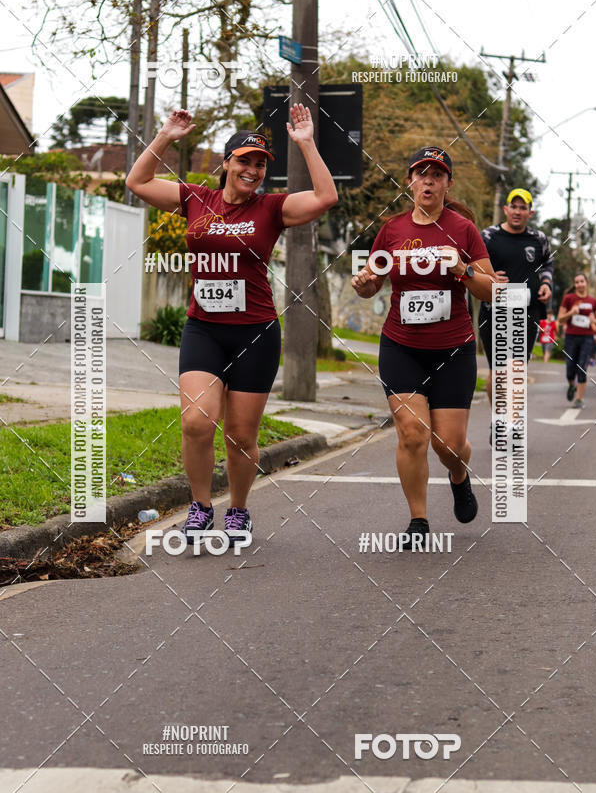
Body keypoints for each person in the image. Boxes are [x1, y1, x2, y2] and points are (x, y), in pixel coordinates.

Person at [126, 104, 337, 546]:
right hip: (204, 329)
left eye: (260, 164)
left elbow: (325, 197)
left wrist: (306, 143)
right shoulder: (194, 199)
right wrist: (165, 135)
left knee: (241, 435)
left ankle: (238, 510)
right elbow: (137, 182)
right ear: (226, 163)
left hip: (255, 332)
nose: (253, 169)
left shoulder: (272, 208)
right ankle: (201, 507)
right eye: (244, 160)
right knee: (197, 423)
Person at [352, 146, 496, 549]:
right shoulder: (392, 230)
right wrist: (364, 285)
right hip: (402, 346)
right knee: (412, 433)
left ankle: (458, 474)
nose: (428, 181)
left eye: (437, 175)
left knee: (447, 445)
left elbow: (493, 291)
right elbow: (371, 281)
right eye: (421, 174)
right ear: (410, 181)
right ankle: (418, 520)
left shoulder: (464, 229)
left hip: (453, 349)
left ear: (448, 184)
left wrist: (463, 269)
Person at [477, 188, 553, 440]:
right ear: (506, 209)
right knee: (499, 371)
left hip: (527, 311)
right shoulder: (488, 236)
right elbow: (471, 265)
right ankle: (498, 419)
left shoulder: (539, 238)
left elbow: (547, 264)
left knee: (518, 369)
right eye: (514, 206)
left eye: (523, 208)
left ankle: (514, 422)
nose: (518, 212)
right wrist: (489, 276)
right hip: (494, 311)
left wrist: (546, 284)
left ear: (530, 213)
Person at [557, 273, 596, 408]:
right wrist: (571, 313)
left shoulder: (593, 302)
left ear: (586, 282)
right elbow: (560, 319)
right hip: (571, 338)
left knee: (582, 368)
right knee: (570, 369)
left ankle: (579, 399)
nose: (580, 284)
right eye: (577, 282)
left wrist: (594, 321)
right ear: (575, 285)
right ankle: (571, 385)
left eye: (582, 281)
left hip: (588, 338)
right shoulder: (569, 299)